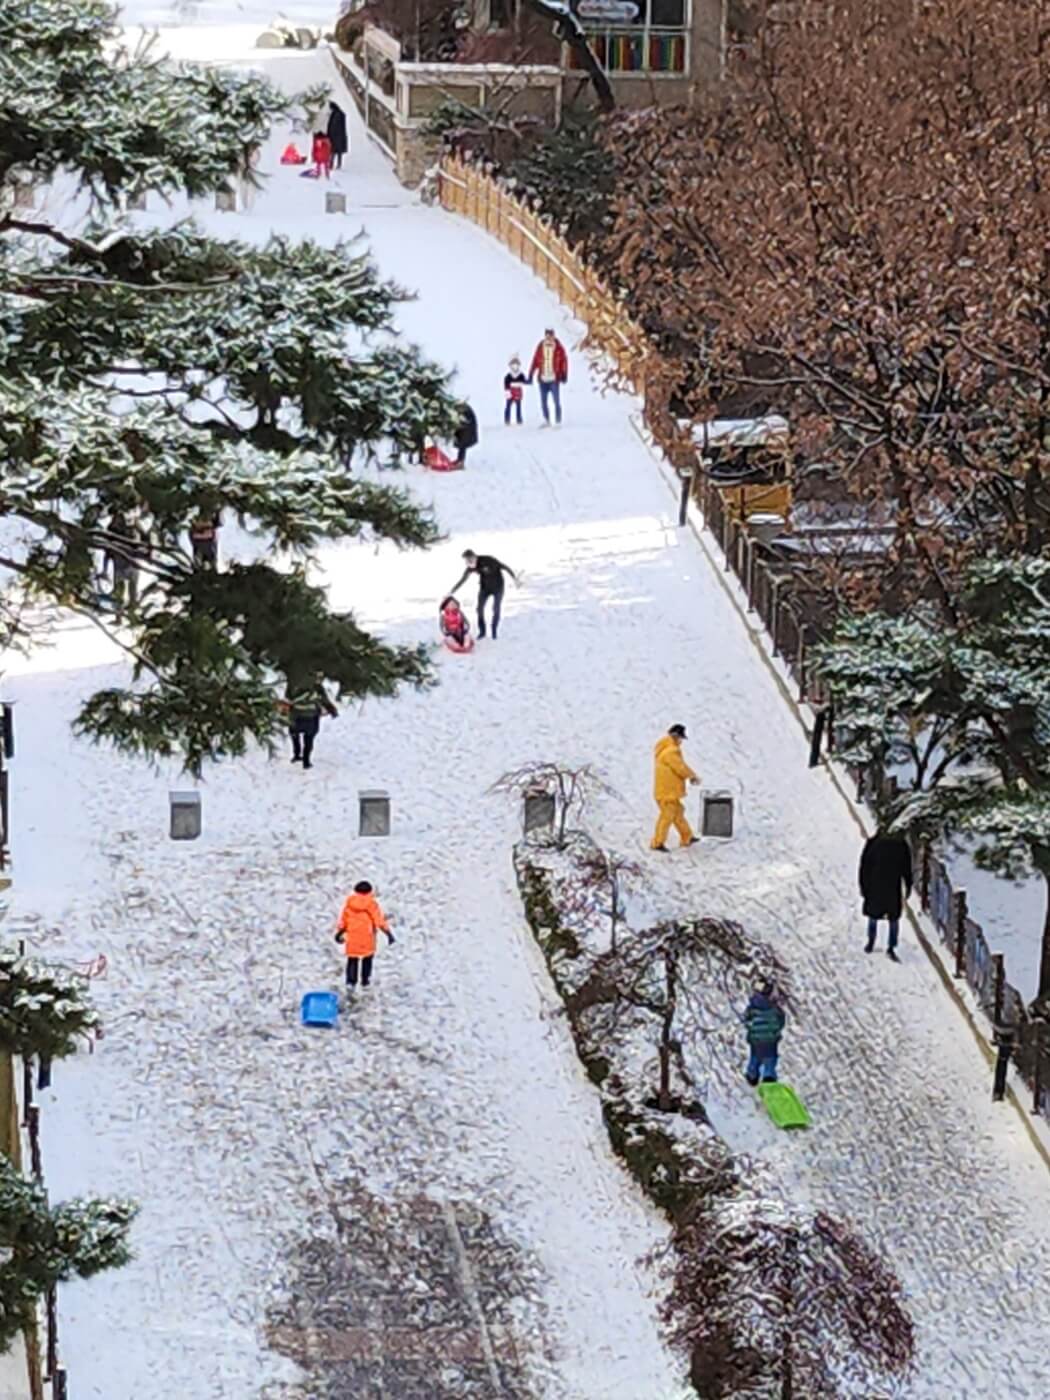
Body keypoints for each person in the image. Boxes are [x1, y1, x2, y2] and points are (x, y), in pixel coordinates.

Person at [859, 830, 913, 961]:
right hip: (892, 886)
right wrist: (908, 884)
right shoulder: (901, 845)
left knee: (873, 915)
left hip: (875, 885)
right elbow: (907, 868)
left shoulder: (873, 843)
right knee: (893, 918)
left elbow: (864, 867)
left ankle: (871, 942)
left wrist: (864, 887)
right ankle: (891, 946)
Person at [333, 880, 393, 995]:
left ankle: (351, 982)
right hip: (367, 936)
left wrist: (339, 933)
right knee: (367, 958)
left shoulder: (349, 903)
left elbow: (344, 920)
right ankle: (365, 981)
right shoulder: (372, 904)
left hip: (353, 935)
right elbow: (379, 920)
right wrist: (388, 933)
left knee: (352, 959)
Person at [651, 723, 700, 851]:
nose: (681, 742)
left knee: (677, 813)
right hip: (668, 792)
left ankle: (687, 836)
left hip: (666, 791)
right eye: (681, 738)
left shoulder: (663, 749)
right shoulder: (671, 751)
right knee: (667, 817)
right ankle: (657, 843)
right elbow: (680, 767)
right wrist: (692, 776)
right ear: (676, 736)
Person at [450, 549, 517, 640]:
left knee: (496, 608)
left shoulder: (488, 559)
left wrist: (514, 578)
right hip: (484, 588)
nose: (469, 562)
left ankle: (494, 631)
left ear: (475, 556)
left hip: (498, 587)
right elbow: (462, 580)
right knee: (479, 609)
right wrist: (451, 591)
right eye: (467, 560)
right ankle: (482, 632)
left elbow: (505, 567)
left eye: (470, 559)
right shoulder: (471, 567)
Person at [284, 672, 337, 770]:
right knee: (309, 738)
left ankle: (296, 755)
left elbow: (288, 698)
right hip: (311, 717)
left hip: (296, 716)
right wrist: (332, 709)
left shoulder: (293, 683)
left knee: (294, 735)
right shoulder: (317, 686)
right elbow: (324, 700)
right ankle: (306, 761)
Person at [743, 978, 786, 1085]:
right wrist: (776, 1031)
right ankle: (769, 1077)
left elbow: (746, 1021)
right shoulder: (775, 1008)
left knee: (755, 1057)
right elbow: (781, 1021)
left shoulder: (751, 1008)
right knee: (770, 1059)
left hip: (756, 1040)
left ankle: (752, 1075)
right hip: (770, 1039)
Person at [103, 509, 140, 620]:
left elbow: (107, 552)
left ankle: (123, 617)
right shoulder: (129, 532)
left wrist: (105, 567)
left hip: (124, 564)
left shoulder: (113, 534)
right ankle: (127, 616)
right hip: (127, 564)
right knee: (128, 592)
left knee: (124, 592)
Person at [529, 328, 569, 427]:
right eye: (547, 335)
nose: (549, 338)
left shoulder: (559, 348)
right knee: (543, 402)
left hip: (554, 379)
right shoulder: (540, 346)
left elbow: (564, 361)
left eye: (551, 335)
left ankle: (558, 420)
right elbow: (535, 360)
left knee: (556, 401)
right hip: (543, 379)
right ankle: (546, 420)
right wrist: (531, 374)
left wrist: (564, 374)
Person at [504, 356, 527, 425]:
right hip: (510, 392)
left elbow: (524, 381)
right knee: (508, 406)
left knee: (518, 406)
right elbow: (506, 384)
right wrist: (507, 392)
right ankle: (507, 420)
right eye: (513, 364)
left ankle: (519, 419)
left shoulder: (521, 374)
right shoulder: (508, 375)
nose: (515, 366)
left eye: (516, 364)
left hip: (518, 391)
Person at [326, 101, 349, 170]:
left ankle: (332, 164)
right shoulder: (340, 114)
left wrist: (329, 134)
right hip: (340, 135)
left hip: (335, 136)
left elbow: (333, 126)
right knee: (338, 151)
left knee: (333, 150)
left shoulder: (336, 115)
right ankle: (338, 164)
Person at [454, 403, 478, 467]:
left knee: (462, 444)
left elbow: (464, 422)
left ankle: (460, 462)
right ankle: (460, 461)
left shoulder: (464, 412)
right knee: (462, 445)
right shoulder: (464, 410)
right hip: (466, 430)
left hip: (467, 431)